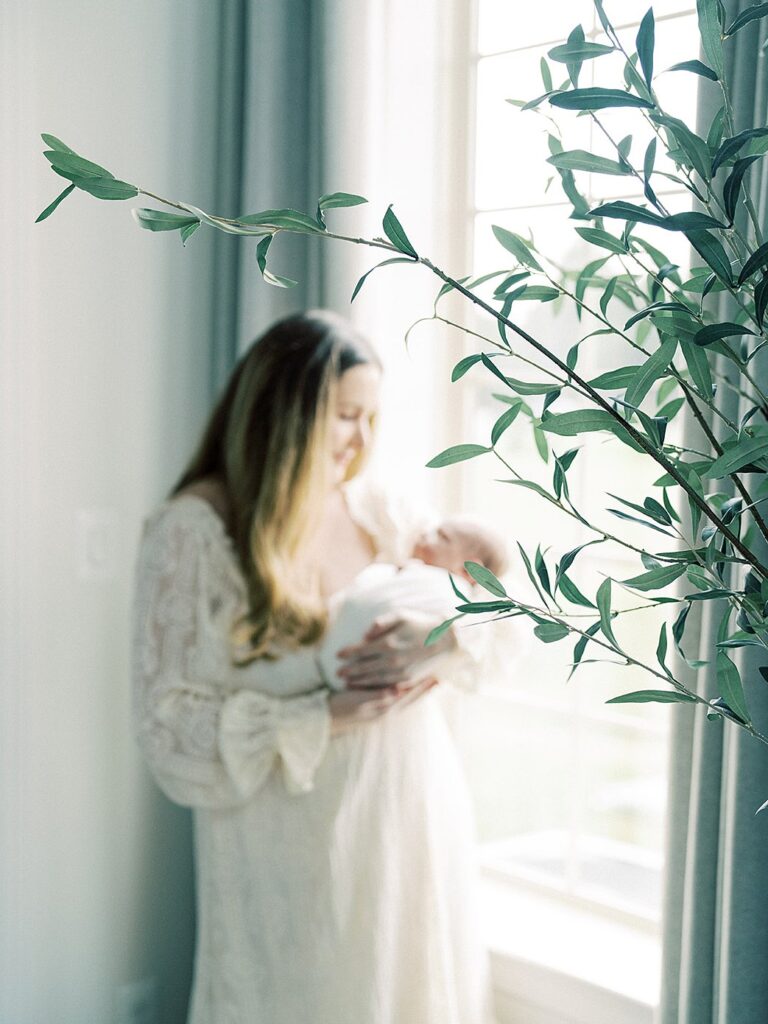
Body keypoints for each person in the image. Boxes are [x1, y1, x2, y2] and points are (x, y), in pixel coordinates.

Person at [130, 309, 497, 1024]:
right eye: (345, 416)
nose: (362, 441)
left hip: (408, 831)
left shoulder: (381, 510)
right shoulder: (193, 531)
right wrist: (322, 714)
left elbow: (499, 611)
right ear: (282, 410)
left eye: (372, 419)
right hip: (286, 858)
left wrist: (441, 638)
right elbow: (166, 728)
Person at [318, 516, 509, 690]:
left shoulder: (454, 596)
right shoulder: (408, 572)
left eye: (442, 536)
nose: (425, 533)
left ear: (470, 570)